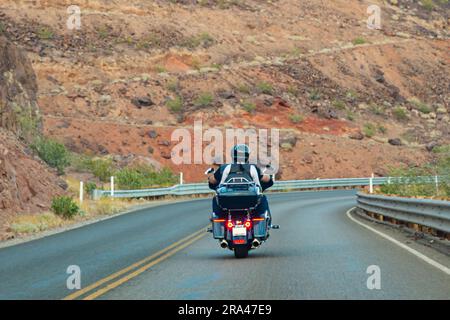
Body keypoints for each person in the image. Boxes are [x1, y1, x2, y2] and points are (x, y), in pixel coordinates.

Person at [207, 144, 274, 226]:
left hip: (228, 200)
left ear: (233, 155)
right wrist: (269, 175)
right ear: (247, 155)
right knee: (262, 197)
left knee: (216, 198)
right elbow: (262, 181)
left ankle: (217, 218)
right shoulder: (253, 167)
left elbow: (213, 180)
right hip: (250, 200)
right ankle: (267, 223)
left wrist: (210, 174)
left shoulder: (224, 168)